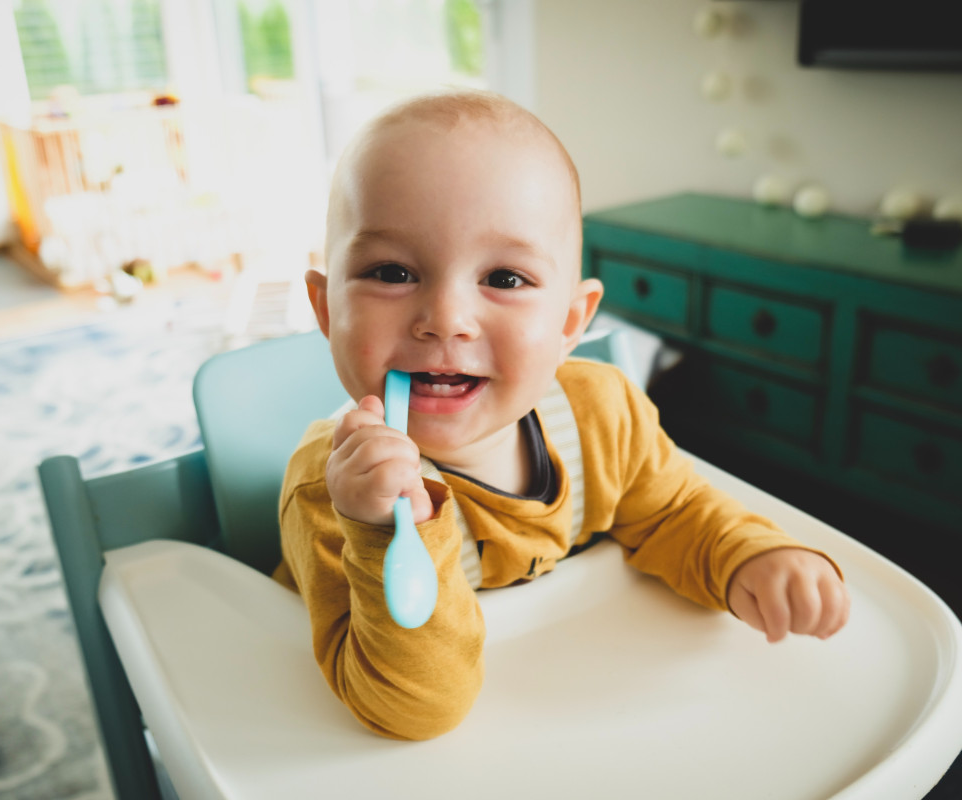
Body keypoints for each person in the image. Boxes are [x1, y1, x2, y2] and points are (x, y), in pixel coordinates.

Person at [273, 89, 850, 741]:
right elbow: (412, 709)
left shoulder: (600, 415)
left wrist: (750, 557)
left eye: (506, 278)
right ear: (325, 310)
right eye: (391, 271)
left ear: (573, 321)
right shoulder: (331, 493)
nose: (446, 320)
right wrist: (382, 529)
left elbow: (673, 513)